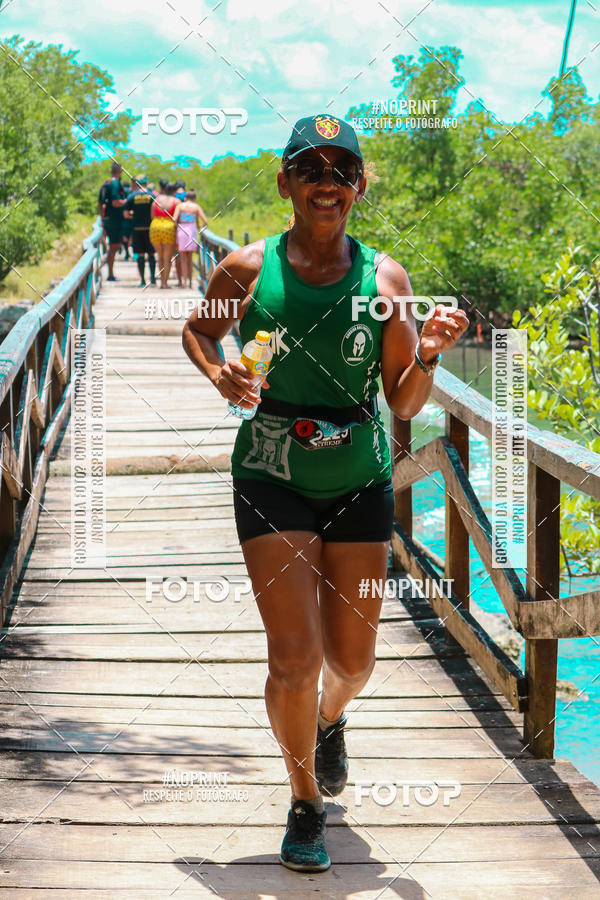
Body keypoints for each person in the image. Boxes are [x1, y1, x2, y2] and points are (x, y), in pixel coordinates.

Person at [182, 113, 469, 873]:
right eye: (310, 169)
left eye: (342, 171)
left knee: (354, 659)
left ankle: (332, 719)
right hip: (271, 472)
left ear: (359, 188)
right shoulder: (247, 269)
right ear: (285, 183)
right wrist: (222, 375)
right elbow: (199, 331)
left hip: (359, 479)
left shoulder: (385, 280)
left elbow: (404, 404)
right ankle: (305, 801)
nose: (326, 183)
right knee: (294, 657)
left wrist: (431, 355)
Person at [124, 175, 157, 286]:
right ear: (147, 182)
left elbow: (126, 214)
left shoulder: (132, 197)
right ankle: (153, 279)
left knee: (141, 255)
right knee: (151, 254)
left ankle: (142, 280)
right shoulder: (152, 196)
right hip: (150, 229)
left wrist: (133, 215)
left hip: (137, 229)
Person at [174, 189, 208, 288]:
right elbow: (205, 221)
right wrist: (200, 226)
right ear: (195, 198)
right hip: (191, 230)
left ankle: (184, 282)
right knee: (190, 258)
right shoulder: (196, 207)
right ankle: (190, 282)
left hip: (181, 229)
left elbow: (174, 219)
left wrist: (177, 227)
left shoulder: (180, 206)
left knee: (183, 258)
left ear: (186, 198)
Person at [149, 182, 179, 289]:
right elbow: (177, 218)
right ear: (174, 191)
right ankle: (165, 283)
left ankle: (161, 281)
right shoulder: (176, 201)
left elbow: (152, 216)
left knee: (160, 256)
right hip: (168, 227)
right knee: (167, 258)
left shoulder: (156, 199)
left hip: (155, 226)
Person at [102, 161, 127, 281]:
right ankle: (110, 274)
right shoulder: (116, 183)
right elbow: (115, 203)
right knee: (114, 246)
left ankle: (110, 272)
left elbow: (100, 204)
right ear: (120, 171)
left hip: (108, 219)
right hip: (115, 220)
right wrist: (127, 201)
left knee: (114, 246)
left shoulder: (106, 183)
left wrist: (103, 218)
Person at [121, 180, 133, 260]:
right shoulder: (131, 192)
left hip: (122, 217)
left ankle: (126, 252)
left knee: (124, 236)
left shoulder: (121, 191)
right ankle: (131, 252)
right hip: (131, 216)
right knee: (131, 235)